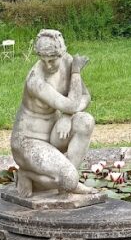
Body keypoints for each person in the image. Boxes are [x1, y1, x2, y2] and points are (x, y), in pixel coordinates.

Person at [10, 29, 96, 197]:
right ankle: (29, 174)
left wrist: (66, 116)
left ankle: (67, 181)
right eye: (43, 60)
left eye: (52, 60)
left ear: (61, 54)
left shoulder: (67, 61)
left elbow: (85, 96)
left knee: (85, 121)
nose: (48, 65)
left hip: (54, 134)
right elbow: (72, 104)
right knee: (69, 178)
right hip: (28, 142)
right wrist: (77, 72)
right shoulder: (35, 80)